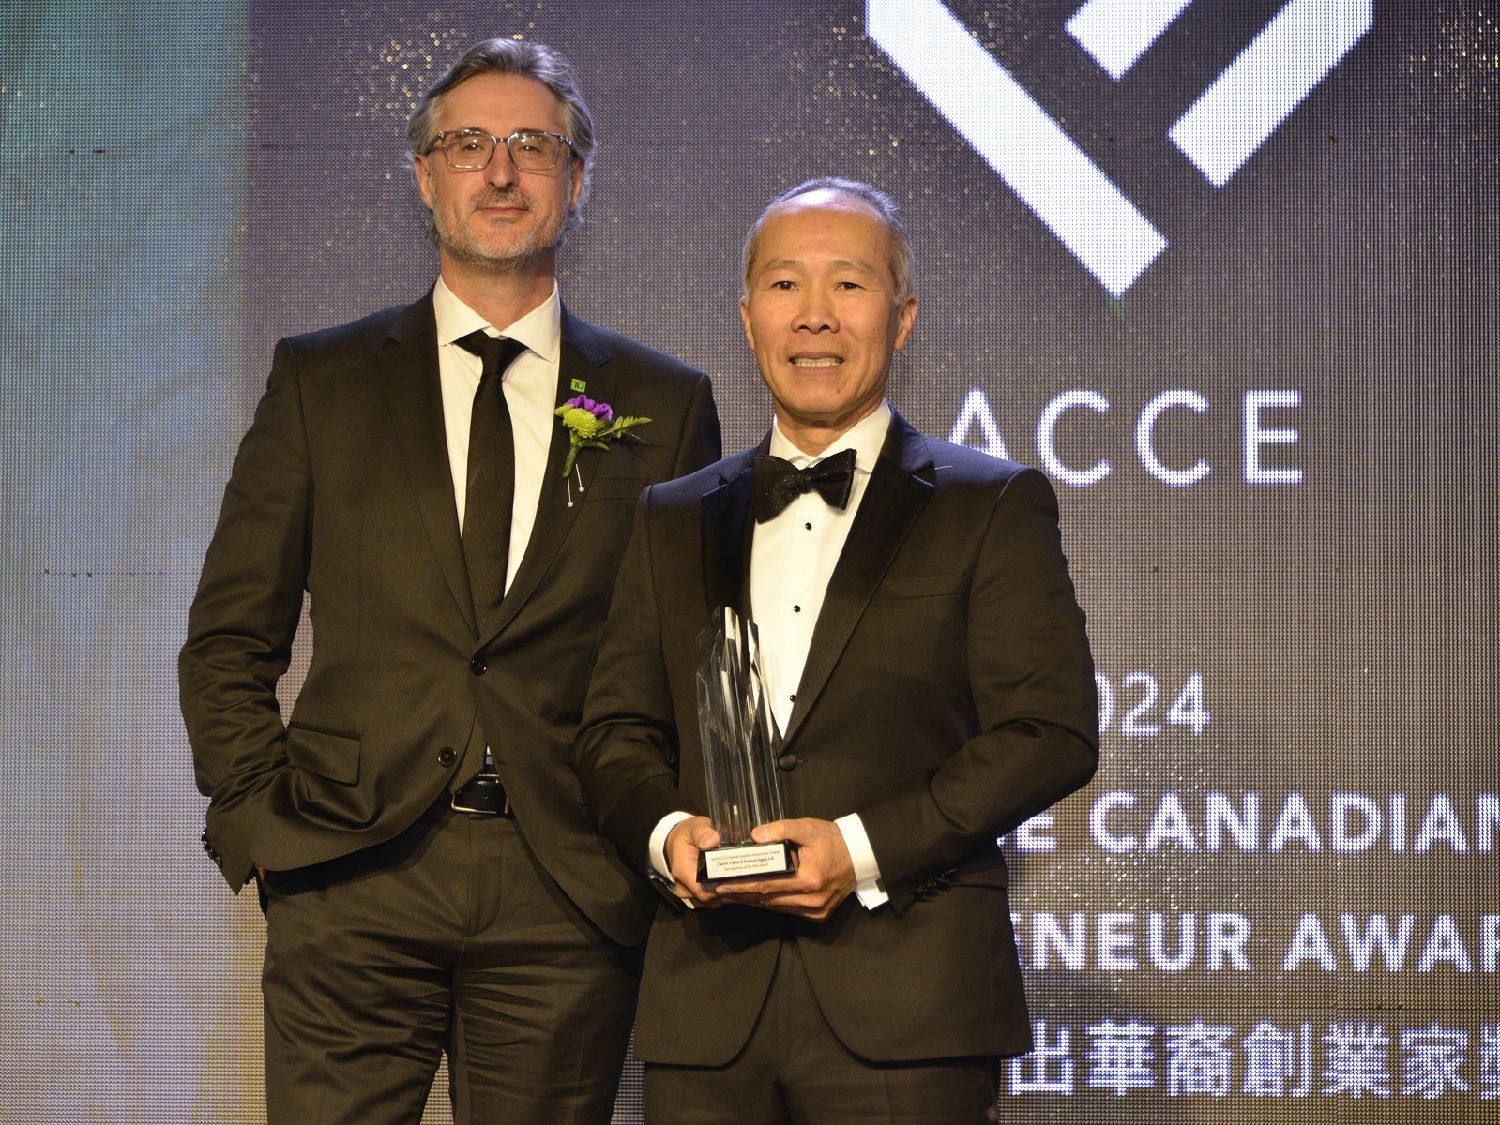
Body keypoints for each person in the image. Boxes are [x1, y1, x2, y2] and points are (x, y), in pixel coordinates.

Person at [179, 38, 719, 1125]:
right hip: (348, 872)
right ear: (425, 176)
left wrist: (649, 847)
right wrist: (263, 828)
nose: (501, 171)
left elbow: (686, 667)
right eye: (469, 145)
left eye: (533, 146)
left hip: (565, 887)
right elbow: (231, 638)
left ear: (578, 178)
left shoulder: (664, 403)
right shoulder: (322, 379)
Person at [572, 178, 1098, 1123]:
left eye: (848, 284)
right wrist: (667, 835)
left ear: (903, 318)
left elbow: (1050, 730)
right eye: (785, 285)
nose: (814, 314)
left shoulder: (990, 502)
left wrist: (857, 850)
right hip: (707, 1008)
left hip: (911, 1006)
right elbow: (615, 731)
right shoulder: (672, 516)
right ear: (747, 318)